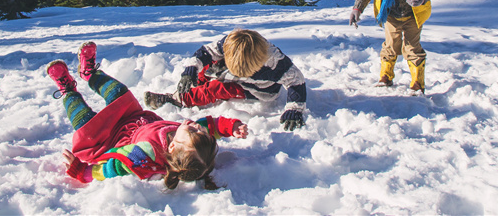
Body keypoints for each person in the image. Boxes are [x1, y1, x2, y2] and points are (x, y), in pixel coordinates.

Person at [47, 42, 248, 190]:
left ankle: (68, 90)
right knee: (118, 92)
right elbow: (209, 126)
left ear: (171, 147)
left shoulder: (145, 153)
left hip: (105, 140)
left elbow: (115, 167)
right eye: (199, 130)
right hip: (132, 119)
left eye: (192, 130)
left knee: (83, 120)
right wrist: (230, 127)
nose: (195, 125)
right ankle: (90, 73)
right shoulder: (188, 139)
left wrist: (83, 172)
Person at [144, 29, 307, 131]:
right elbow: (206, 52)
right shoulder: (231, 42)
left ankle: (177, 99)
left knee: (217, 88)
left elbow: (296, 80)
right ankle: (198, 85)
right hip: (230, 69)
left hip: (258, 89)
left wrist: (294, 108)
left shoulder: (275, 62)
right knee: (205, 68)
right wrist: (190, 70)